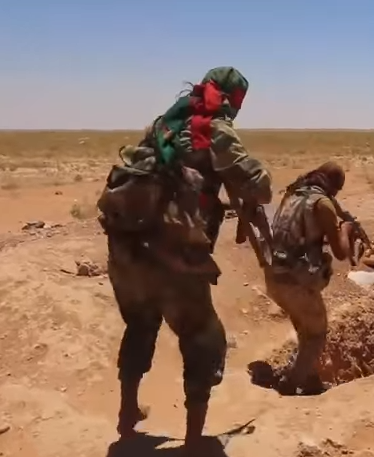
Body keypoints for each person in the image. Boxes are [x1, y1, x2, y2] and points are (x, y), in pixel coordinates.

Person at [96, 66, 272, 454]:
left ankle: (127, 413)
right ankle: (195, 442)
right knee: (202, 337)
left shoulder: (165, 124)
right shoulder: (216, 129)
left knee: (141, 322)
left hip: (127, 248)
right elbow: (259, 185)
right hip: (172, 255)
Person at [264, 161, 358, 395]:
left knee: (305, 330)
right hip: (296, 283)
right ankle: (290, 384)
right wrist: (345, 229)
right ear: (333, 186)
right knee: (317, 334)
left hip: (274, 277)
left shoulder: (293, 193)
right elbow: (340, 252)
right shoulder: (322, 204)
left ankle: (310, 379)